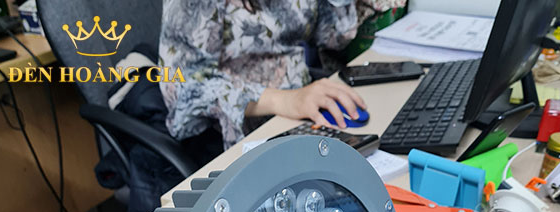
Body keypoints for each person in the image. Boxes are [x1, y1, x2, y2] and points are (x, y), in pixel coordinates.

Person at [159, 0, 403, 148]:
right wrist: (283, 100)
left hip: (301, 118)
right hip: (235, 133)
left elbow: (329, 35)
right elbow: (180, 84)